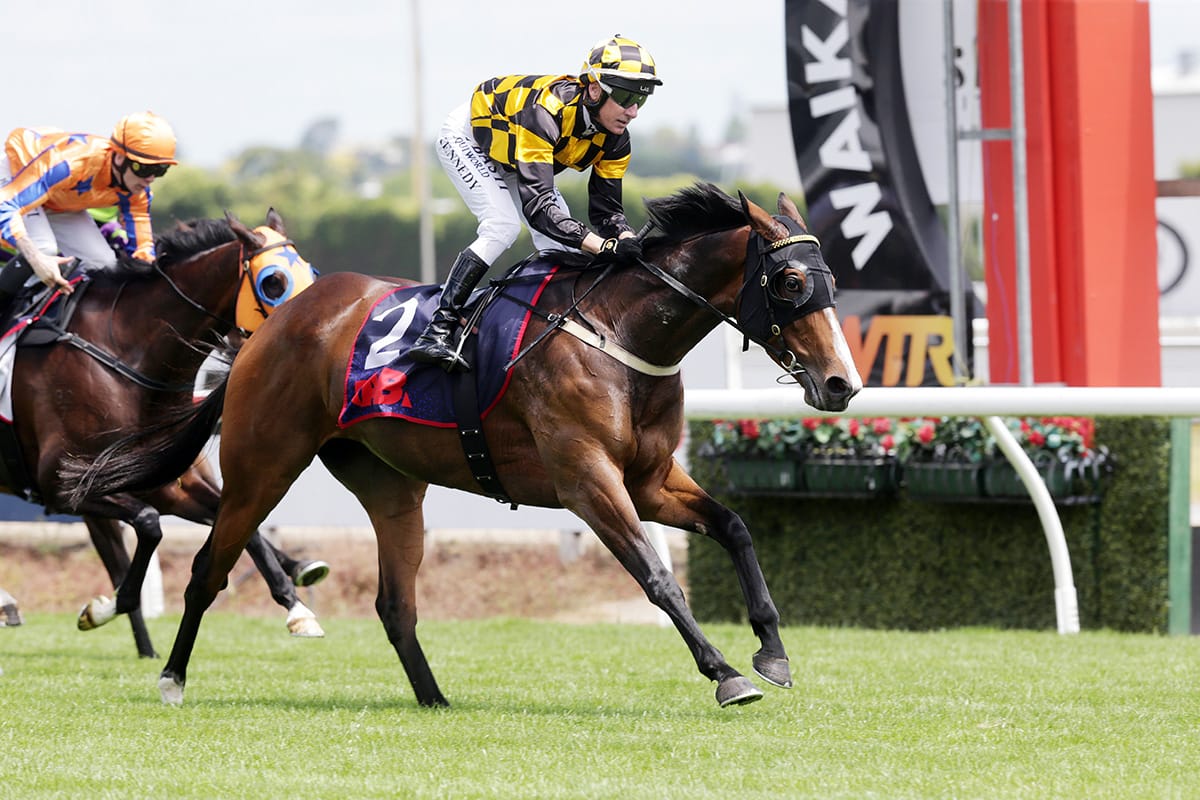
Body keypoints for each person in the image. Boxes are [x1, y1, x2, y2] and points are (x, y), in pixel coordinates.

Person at [410, 34, 662, 372]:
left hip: (516, 155)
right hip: (470, 138)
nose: (633, 112)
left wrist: (626, 238)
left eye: (641, 100)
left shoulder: (617, 141)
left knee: (567, 251)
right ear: (594, 90)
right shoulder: (545, 113)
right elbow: (539, 208)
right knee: (502, 226)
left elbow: (607, 211)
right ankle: (438, 328)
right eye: (627, 97)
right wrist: (602, 246)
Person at [0, 111, 177, 314]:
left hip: (58, 199)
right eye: (143, 168)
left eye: (160, 170)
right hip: (16, 178)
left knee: (104, 265)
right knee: (44, 249)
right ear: (119, 157)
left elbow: (142, 253)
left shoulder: (138, 192)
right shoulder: (70, 165)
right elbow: (7, 206)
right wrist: (36, 259)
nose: (150, 179)